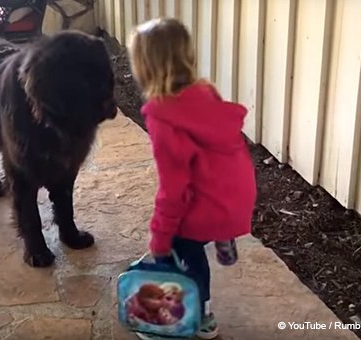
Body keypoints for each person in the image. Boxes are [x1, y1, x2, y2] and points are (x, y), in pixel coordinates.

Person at [127, 18, 257, 339]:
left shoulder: (162, 116)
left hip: (208, 205)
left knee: (185, 250)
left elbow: (174, 190)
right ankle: (223, 236)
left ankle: (202, 317)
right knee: (210, 219)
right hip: (237, 193)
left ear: (144, 66)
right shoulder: (205, 91)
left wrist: (160, 238)